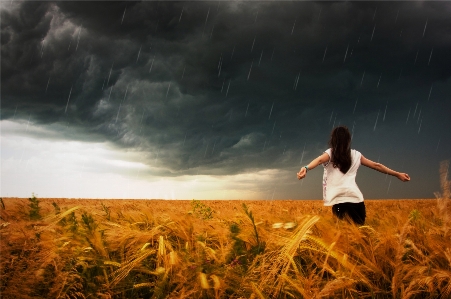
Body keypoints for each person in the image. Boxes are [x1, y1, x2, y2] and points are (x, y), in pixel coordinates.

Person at [297, 126, 410, 225]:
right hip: (357, 201)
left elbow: (319, 160)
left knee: (342, 240)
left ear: (333, 140)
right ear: (348, 140)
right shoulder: (356, 155)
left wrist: (306, 168)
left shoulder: (331, 153)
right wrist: (397, 174)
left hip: (339, 202)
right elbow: (376, 166)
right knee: (359, 236)